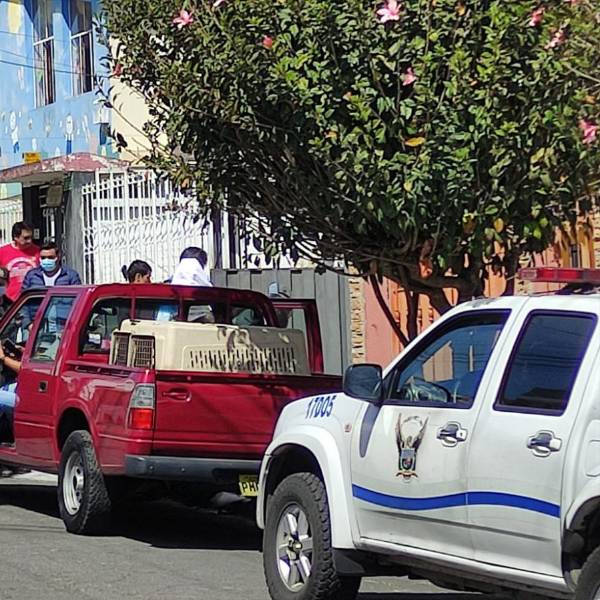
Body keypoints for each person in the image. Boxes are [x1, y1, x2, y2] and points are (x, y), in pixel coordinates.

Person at [0, 222, 39, 301]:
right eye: (26, 238)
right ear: (16, 237)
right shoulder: (3, 252)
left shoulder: (38, 251)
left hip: (33, 299)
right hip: (11, 300)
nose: (29, 241)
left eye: (31, 237)